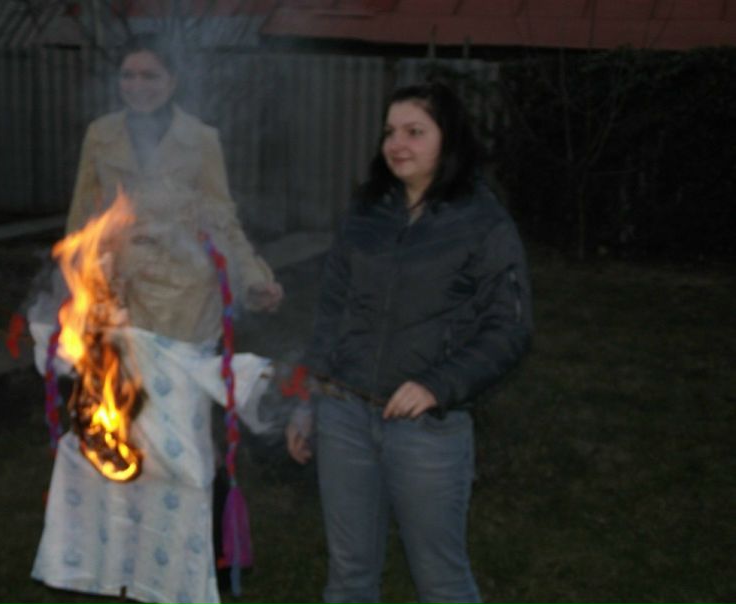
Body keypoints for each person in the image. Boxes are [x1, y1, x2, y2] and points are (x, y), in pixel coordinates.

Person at [31, 33, 282, 604]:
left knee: (182, 440)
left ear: (173, 82)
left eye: (151, 76)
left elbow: (221, 217)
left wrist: (253, 277)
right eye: (129, 75)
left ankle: (208, 552)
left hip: (183, 305)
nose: (138, 86)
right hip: (115, 302)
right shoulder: (102, 134)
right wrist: (67, 291)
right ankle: (123, 553)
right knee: (117, 429)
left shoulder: (201, 140)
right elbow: (81, 217)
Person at [286, 81, 533, 604]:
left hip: (425, 430)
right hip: (343, 415)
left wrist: (437, 385)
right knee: (349, 575)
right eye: (390, 132)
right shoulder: (366, 212)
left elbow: (510, 327)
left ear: (449, 139)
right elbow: (331, 312)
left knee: (441, 580)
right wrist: (306, 400)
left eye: (415, 132)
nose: (397, 144)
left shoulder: (482, 222)